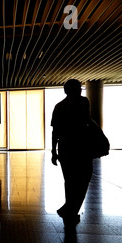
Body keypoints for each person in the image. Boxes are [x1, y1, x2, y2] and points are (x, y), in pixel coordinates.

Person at [51, 79, 93, 227]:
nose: (81, 90)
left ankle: (70, 210)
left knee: (69, 181)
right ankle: (70, 210)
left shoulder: (59, 107)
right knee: (84, 178)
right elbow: (87, 121)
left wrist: (53, 151)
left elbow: (55, 131)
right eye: (79, 88)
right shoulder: (83, 102)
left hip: (65, 148)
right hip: (82, 147)